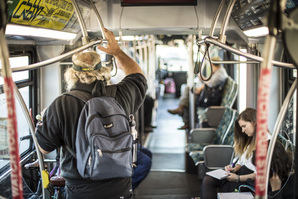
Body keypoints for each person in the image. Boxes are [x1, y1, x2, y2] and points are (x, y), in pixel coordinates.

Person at [35, 28, 147, 199]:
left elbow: (44, 149)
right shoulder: (121, 94)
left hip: (80, 190)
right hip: (120, 188)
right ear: (102, 71)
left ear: (71, 74)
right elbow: (138, 75)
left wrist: (40, 126)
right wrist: (116, 52)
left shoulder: (60, 104)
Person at [200, 108, 271, 199]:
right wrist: (234, 168)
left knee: (217, 185)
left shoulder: (266, 142)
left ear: (254, 122)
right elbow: (242, 161)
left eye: (244, 126)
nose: (242, 131)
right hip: (240, 173)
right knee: (208, 179)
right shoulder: (252, 139)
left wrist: (238, 178)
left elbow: (260, 174)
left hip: (249, 180)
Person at [167, 56, 228, 130]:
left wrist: (203, 80)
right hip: (210, 94)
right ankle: (183, 113)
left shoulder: (220, 73)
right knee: (188, 91)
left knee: (190, 98)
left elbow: (211, 84)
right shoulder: (219, 71)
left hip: (211, 98)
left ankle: (183, 113)